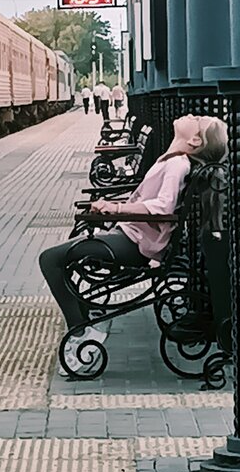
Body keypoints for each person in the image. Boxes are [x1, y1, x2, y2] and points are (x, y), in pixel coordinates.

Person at [40, 114, 228, 373]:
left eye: (197, 119)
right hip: (128, 236)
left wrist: (115, 208)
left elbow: (163, 207)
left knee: (49, 259)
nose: (191, 115)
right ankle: (85, 323)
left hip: (132, 243)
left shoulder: (177, 164)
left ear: (194, 140)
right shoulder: (174, 160)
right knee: (59, 256)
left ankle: (81, 331)